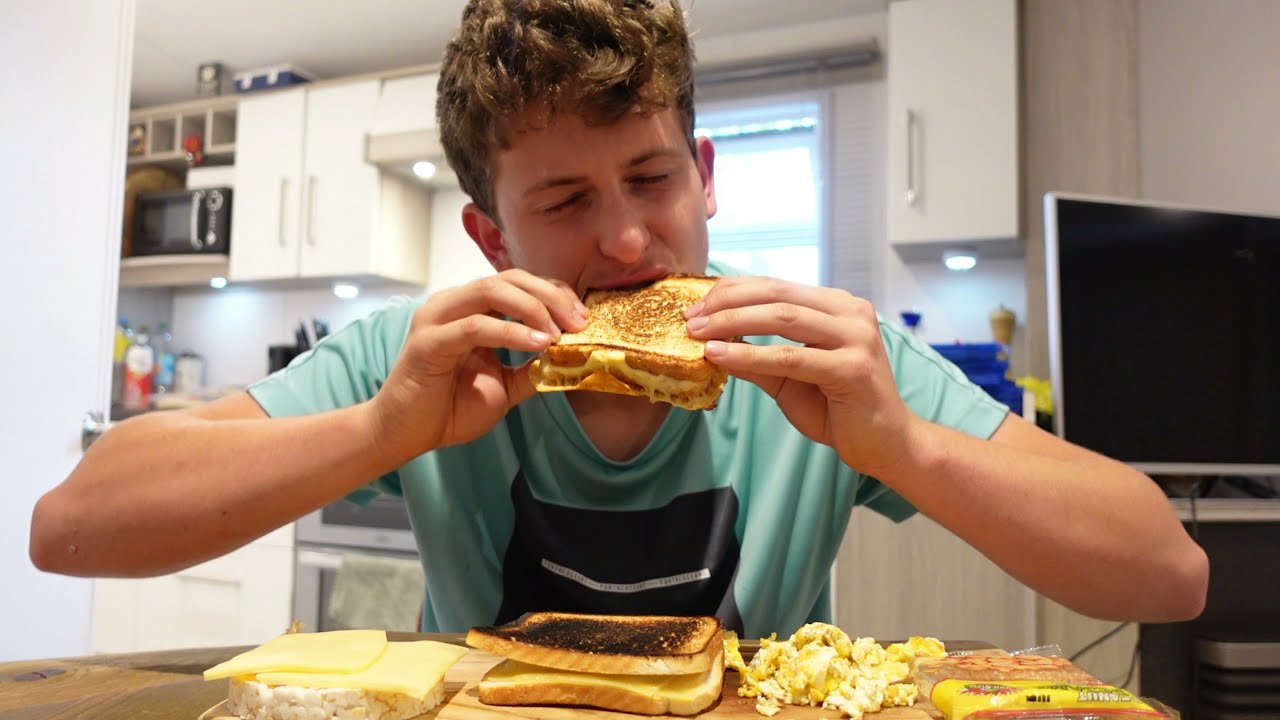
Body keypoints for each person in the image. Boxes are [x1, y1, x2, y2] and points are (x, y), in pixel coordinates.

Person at [30, 0, 1207, 637]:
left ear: (705, 175)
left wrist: (901, 445)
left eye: (651, 179)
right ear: (490, 238)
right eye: (563, 202)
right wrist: (381, 432)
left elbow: (1167, 572)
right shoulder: (419, 358)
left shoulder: (815, 351)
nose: (631, 243)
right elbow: (71, 528)